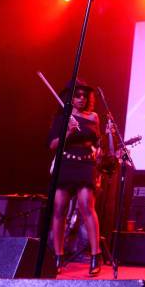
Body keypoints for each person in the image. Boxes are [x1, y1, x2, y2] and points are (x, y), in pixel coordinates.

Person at [48, 81, 102, 276]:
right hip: (66, 163)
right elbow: (53, 145)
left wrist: (99, 161)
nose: (81, 98)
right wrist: (69, 131)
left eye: (84, 95)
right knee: (60, 209)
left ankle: (96, 254)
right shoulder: (62, 117)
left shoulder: (93, 117)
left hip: (86, 164)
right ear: (70, 97)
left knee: (87, 206)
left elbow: (97, 143)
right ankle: (58, 255)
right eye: (77, 95)